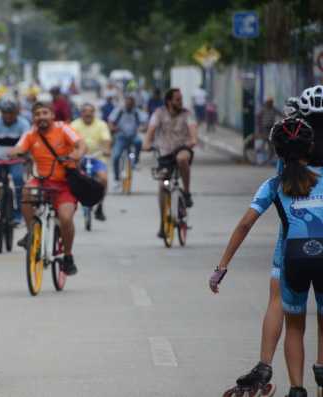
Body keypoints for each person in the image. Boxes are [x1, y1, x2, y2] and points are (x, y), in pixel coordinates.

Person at [209, 117, 323, 397]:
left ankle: (297, 389)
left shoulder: (273, 185)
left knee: (295, 326)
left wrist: (222, 266)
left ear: (277, 152)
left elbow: (245, 224)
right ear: (310, 148)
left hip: (293, 259)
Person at [10, 101, 87, 275]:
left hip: (65, 183)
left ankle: (68, 256)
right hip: (42, 181)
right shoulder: (31, 133)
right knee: (26, 192)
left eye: (45, 113)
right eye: (37, 114)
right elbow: (17, 148)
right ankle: (31, 233)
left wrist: (76, 154)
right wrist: (17, 153)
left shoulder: (63, 128)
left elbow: (81, 144)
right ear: (33, 117)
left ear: (52, 115)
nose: (41, 117)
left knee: (66, 218)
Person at [143, 88, 198, 237]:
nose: (181, 102)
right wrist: (147, 143)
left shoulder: (187, 114)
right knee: (162, 186)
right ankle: (162, 224)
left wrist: (192, 141)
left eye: (181, 99)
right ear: (169, 101)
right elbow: (151, 131)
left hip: (182, 148)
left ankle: (186, 193)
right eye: (178, 100)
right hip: (165, 153)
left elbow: (193, 133)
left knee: (182, 159)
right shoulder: (159, 113)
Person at [0, 99, 30, 223]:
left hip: (15, 159)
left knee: (19, 180)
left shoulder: (23, 124)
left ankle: (19, 214)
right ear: (1, 113)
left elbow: (27, 140)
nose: (8, 116)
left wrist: (20, 152)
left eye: (11, 113)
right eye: (5, 113)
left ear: (16, 113)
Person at [71, 103, 111, 220]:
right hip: (79, 158)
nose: (88, 114)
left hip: (97, 158)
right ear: (81, 113)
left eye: (90, 111)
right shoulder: (74, 125)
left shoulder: (101, 124)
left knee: (103, 179)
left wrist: (107, 149)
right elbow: (69, 141)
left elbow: (106, 139)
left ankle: (100, 206)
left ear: (94, 113)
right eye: (85, 111)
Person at [109, 96, 144, 179]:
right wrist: (113, 128)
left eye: (131, 104)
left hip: (133, 136)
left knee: (139, 142)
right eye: (127, 104)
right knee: (116, 156)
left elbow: (144, 121)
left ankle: (136, 161)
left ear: (133, 104)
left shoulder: (136, 112)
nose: (129, 105)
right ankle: (117, 177)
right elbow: (110, 121)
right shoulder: (119, 111)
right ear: (125, 103)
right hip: (121, 137)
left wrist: (143, 127)